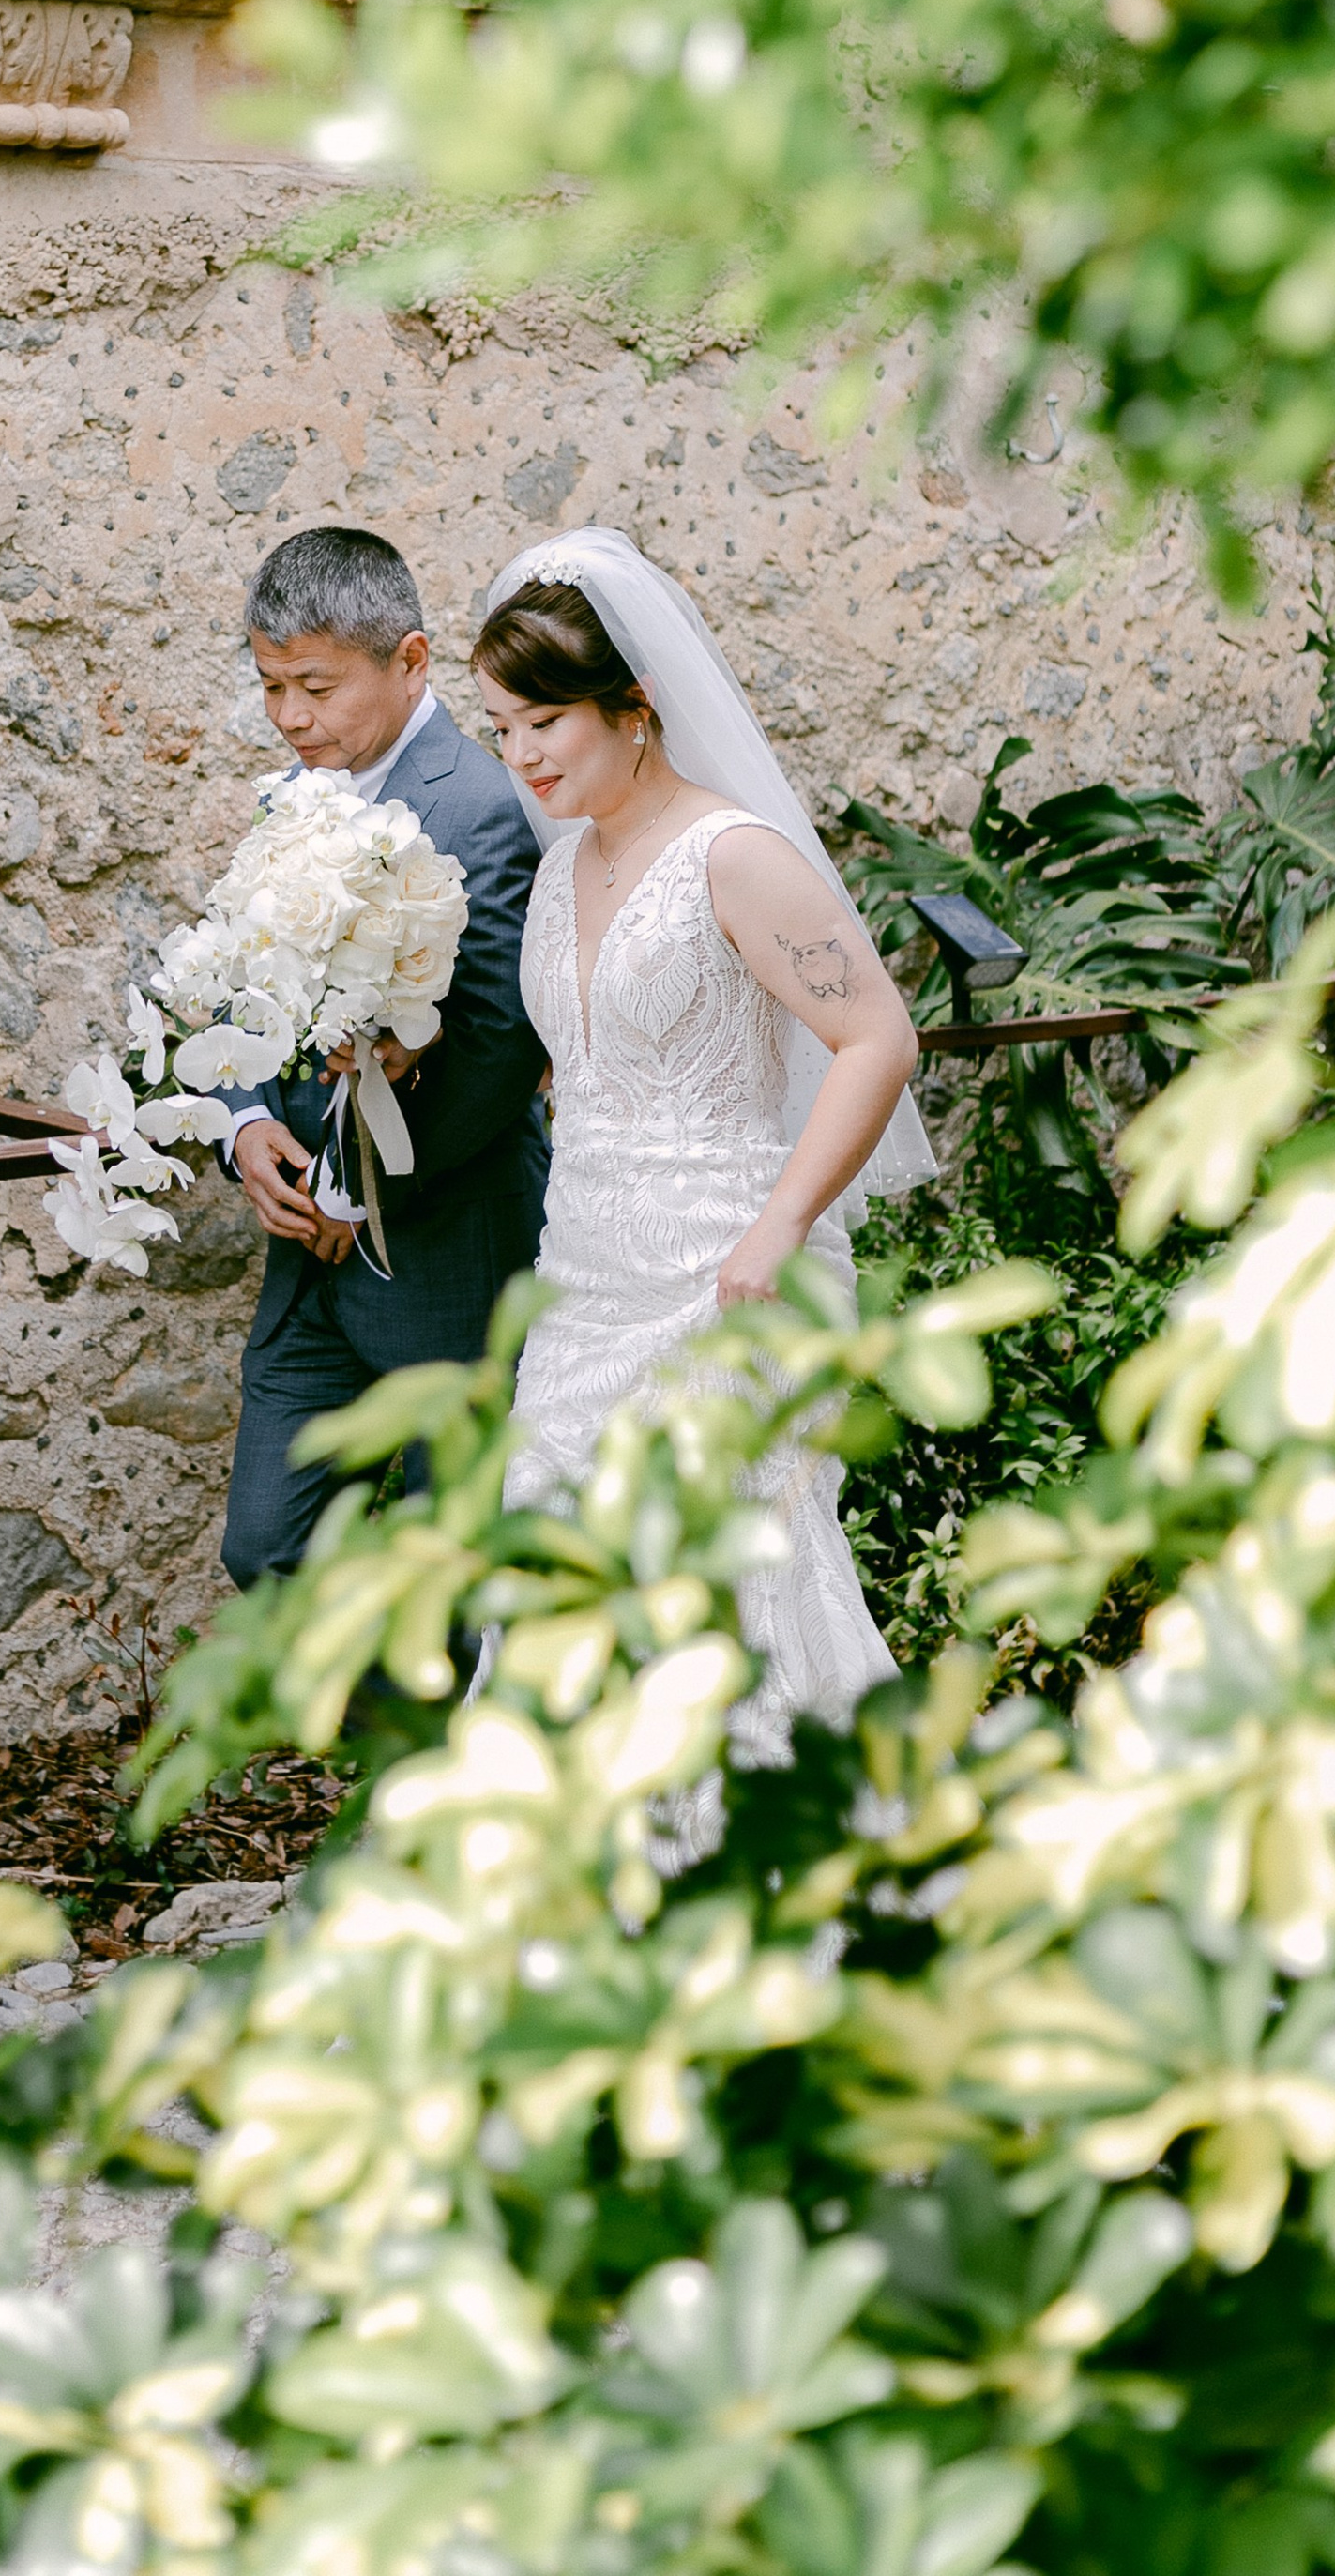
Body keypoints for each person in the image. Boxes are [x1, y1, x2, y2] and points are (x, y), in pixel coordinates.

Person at [470, 525, 935, 1753]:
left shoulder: (734, 858)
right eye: (500, 730)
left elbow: (878, 1039)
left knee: (722, 1587)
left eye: (544, 725)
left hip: (726, 1274)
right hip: (583, 1281)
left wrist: (780, 1225)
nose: (520, 757)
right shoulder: (566, 866)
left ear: (632, 708)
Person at [217, 526, 549, 1586]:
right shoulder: (289, 797)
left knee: (458, 1571)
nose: (290, 718)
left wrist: (352, 1188)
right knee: (264, 1551)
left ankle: (450, 1751)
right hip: (302, 1259)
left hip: (447, 1247)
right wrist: (246, 1122)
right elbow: (234, 984)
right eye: (271, 688)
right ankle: (382, 1733)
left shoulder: (486, 807)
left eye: (313, 686)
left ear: (409, 661)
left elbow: (499, 1048)